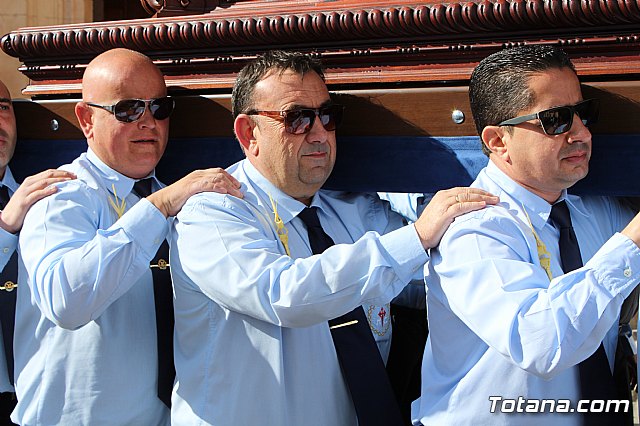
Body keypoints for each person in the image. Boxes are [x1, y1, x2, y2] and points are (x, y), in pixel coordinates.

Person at [169, 50, 498, 426]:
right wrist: (417, 236)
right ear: (249, 133)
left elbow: (430, 281)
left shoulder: (356, 211)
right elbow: (282, 295)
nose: (320, 133)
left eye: (327, 115)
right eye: (297, 118)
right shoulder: (213, 213)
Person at [412, 44, 640, 425]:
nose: (581, 133)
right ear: (498, 141)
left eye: (584, 114)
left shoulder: (595, 213)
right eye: (556, 120)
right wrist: (632, 243)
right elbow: (539, 343)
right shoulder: (474, 231)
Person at [13, 48, 242, 425]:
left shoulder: (184, 201)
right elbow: (66, 302)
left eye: (159, 108)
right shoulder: (61, 196)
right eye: (128, 109)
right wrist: (158, 207)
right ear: (87, 119)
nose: (148, 122)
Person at [0, 79, 77, 424]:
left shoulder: (47, 196)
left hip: (41, 399)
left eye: (3, 107)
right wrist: (6, 226)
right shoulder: (17, 209)